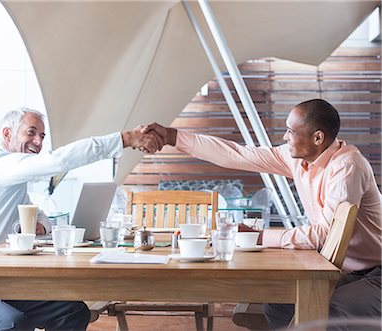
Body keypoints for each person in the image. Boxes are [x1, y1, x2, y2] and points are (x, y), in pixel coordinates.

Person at [142, 99, 381, 328]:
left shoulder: (347, 166)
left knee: (327, 315)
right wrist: (173, 137)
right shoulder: (298, 158)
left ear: (318, 137)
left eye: (290, 131)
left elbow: (324, 235)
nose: (285, 137)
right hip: (343, 271)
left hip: (376, 274)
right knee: (278, 306)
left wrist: (258, 236)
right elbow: (238, 154)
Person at [0, 107, 163, 331]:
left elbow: (40, 217)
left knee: (72, 312)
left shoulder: (14, 180)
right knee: (14, 323)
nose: (38, 141)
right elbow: (58, 160)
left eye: (42, 136)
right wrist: (126, 139)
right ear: (7, 135)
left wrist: (32, 226)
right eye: (31, 132)